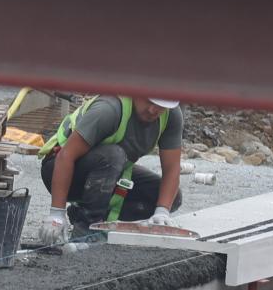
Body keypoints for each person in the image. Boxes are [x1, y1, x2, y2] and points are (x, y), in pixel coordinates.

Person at [38, 96, 185, 229]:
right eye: (149, 102)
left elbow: (172, 169)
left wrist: (162, 211)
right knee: (114, 155)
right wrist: (56, 214)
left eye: (161, 106)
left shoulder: (171, 115)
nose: (154, 110)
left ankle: (89, 217)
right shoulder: (109, 109)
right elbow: (66, 156)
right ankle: (86, 229)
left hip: (109, 170)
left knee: (172, 198)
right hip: (60, 170)